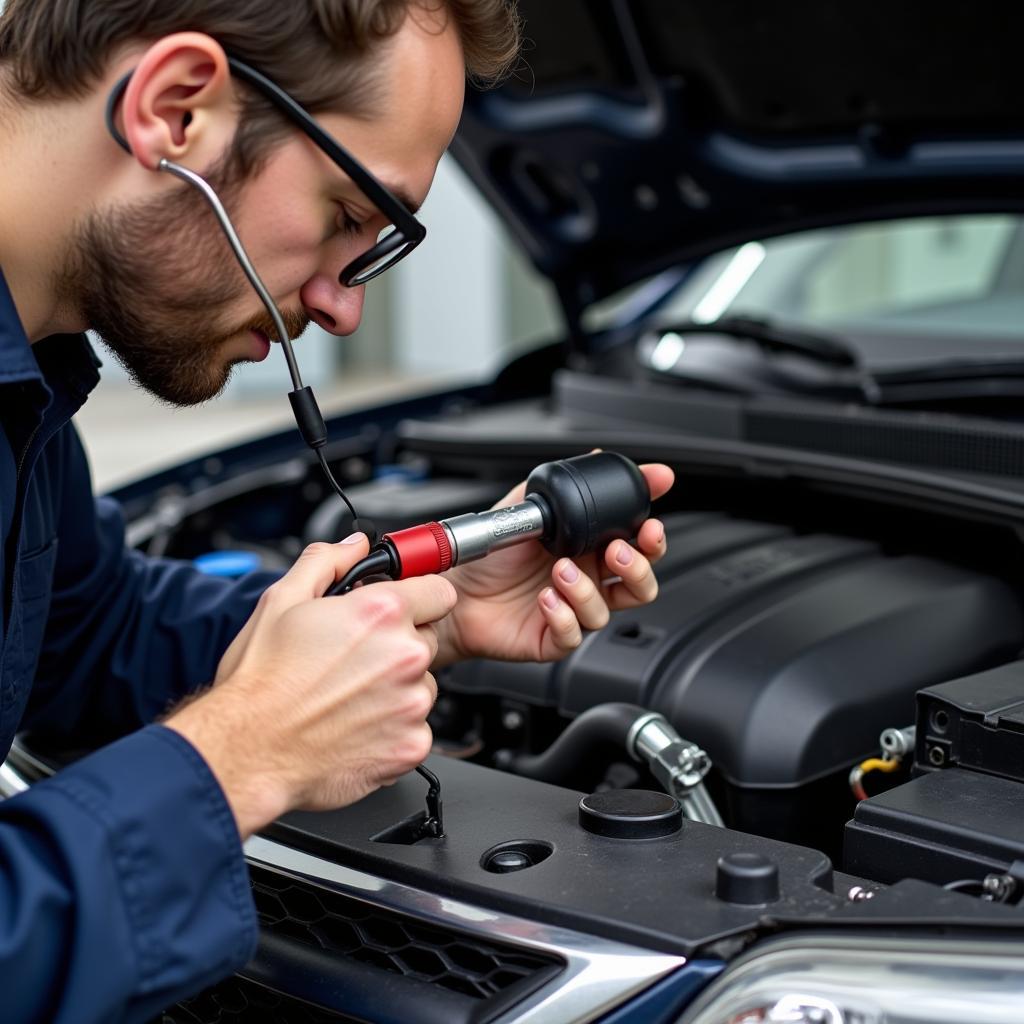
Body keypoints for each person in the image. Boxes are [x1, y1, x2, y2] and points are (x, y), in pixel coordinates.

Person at [0, 0, 674, 1019]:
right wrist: (242, 755)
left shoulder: (30, 380)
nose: (343, 304)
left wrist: (423, 613)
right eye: (351, 214)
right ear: (177, 111)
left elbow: (84, 628)